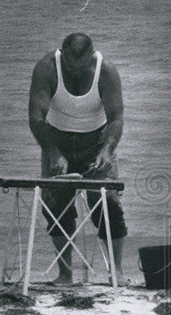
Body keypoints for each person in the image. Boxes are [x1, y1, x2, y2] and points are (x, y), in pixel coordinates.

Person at [28, 32, 127, 284]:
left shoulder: (106, 71)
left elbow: (116, 118)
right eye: (69, 66)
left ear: (91, 58)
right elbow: (36, 117)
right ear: (61, 56)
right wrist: (53, 152)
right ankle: (65, 273)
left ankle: (117, 272)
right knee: (56, 205)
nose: (74, 72)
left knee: (108, 203)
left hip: (95, 142)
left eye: (81, 67)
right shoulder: (46, 68)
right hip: (57, 140)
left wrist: (107, 151)